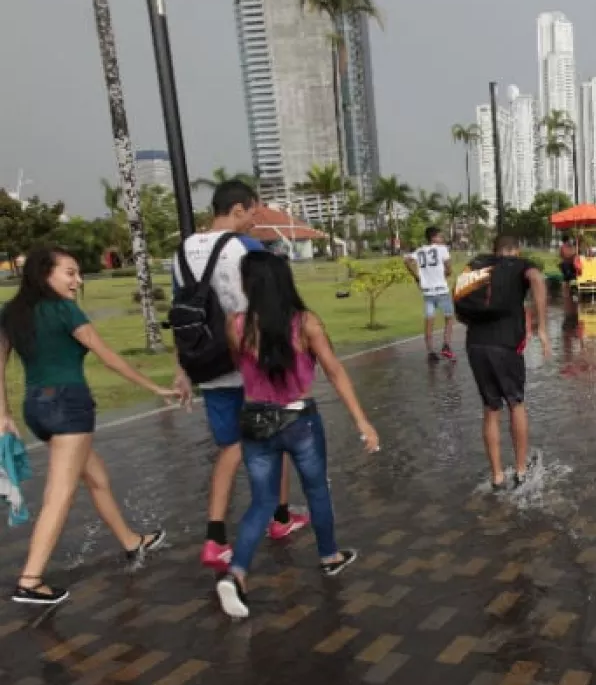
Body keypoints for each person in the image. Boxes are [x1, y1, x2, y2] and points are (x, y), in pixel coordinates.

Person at [0, 248, 176, 604]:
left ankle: (130, 541)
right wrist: (154, 387)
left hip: (36, 408)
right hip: (68, 406)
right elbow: (105, 354)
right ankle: (30, 580)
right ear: (44, 272)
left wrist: (3, 415)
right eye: (70, 273)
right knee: (59, 494)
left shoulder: (11, 312)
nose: (77, 281)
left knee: (96, 476)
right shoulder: (64, 309)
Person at [215, 253, 379, 618]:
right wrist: (361, 421)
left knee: (262, 501)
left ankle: (237, 572)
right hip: (299, 420)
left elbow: (241, 367)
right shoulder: (305, 323)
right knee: (316, 488)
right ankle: (329, 555)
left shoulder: (236, 324)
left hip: (254, 420)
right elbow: (335, 372)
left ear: (249, 284)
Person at [172, 181, 297, 574]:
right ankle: (279, 518)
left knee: (229, 448)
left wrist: (183, 368)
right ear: (239, 209)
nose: (255, 220)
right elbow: (267, 309)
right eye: (254, 212)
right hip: (250, 365)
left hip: (207, 365)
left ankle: (214, 538)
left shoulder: (182, 251)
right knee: (274, 439)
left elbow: (182, 312)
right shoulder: (247, 250)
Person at [461, 236, 550, 490]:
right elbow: (537, 279)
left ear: (494, 251)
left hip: (475, 343)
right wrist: (542, 328)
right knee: (516, 403)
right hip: (505, 345)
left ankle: (497, 476)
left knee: (490, 408)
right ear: (516, 250)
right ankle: (521, 471)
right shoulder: (519, 265)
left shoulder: (479, 266)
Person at [404, 226, 455, 362]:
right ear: (434, 237)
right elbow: (449, 270)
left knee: (429, 321)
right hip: (442, 290)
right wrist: (443, 273)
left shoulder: (420, 251)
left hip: (427, 292)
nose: (442, 238)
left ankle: (431, 352)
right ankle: (446, 345)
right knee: (449, 318)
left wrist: (417, 276)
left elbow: (407, 260)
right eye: (440, 236)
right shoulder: (442, 249)